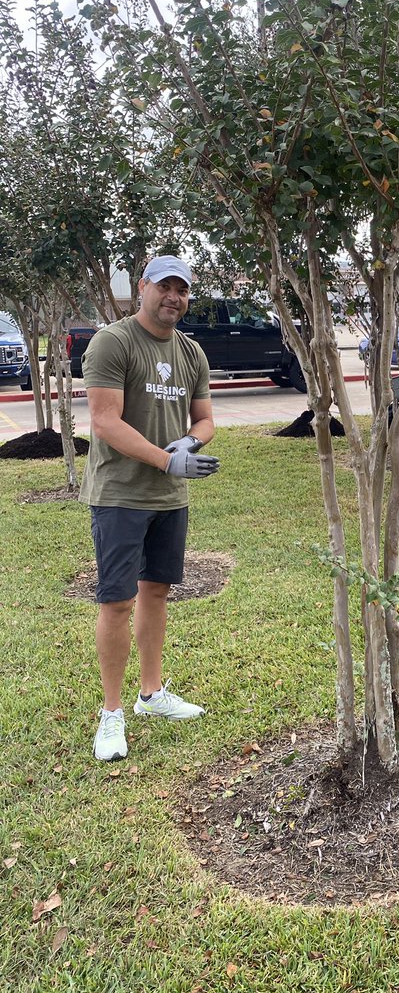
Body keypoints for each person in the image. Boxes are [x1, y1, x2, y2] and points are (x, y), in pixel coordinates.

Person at [80, 256, 220, 763]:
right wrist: (166, 461)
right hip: (120, 494)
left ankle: (151, 695)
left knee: (156, 591)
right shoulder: (113, 342)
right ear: (143, 287)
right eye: (165, 287)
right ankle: (112, 713)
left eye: (182, 289)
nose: (174, 297)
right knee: (117, 601)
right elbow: (103, 421)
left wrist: (188, 443)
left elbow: (206, 420)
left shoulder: (191, 352)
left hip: (168, 496)